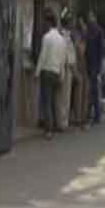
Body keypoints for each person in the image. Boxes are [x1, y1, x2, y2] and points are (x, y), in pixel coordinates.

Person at [35, 11, 65, 139]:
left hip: (47, 72)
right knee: (53, 101)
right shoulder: (62, 39)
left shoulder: (46, 37)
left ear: (48, 23)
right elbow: (63, 59)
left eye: (45, 22)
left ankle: (49, 130)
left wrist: (37, 72)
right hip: (56, 72)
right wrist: (62, 74)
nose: (44, 24)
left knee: (46, 101)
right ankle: (56, 125)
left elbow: (43, 56)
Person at [85, 12, 105, 125]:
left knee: (94, 91)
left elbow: (102, 50)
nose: (90, 20)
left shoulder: (98, 31)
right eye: (89, 18)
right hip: (90, 64)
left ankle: (95, 115)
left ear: (95, 19)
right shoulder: (89, 31)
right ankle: (93, 115)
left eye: (91, 17)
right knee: (92, 91)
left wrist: (100, 68)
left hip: (95, 65)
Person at [57, 14, 77, 130]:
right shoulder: (67, 38)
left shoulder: (60, 35)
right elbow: (71, 57)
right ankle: (63, 123)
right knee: (65, 96)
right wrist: (75, 72)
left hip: (59, 68)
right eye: (71, 22)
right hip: (66, 68)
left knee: (59, 95)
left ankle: (60, 121)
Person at [71, 17, 89, 129]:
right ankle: (79, 118)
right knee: (80, 94)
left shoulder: (81, 41)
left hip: (83, 71)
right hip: (80, 71)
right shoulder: (79, 41)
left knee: (82, 94)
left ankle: (81, 118)